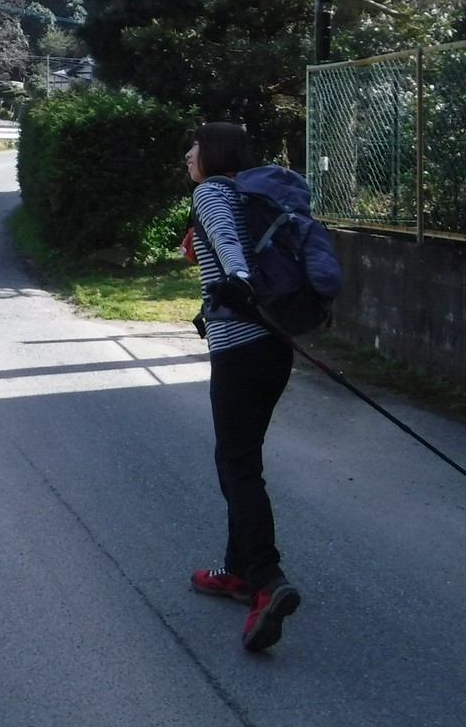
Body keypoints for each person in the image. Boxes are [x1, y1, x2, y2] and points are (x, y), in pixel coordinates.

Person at [183, 121, 301, 652]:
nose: (188, 155)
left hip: (240, 349)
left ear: (212, 153)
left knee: (237, 464)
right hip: (275, 347)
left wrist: (237, 283)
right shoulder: (252, 194)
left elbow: (229, 246)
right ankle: (236, 571)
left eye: (194, 146)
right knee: (239, 456)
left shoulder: (212, 190)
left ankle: (266, 580)